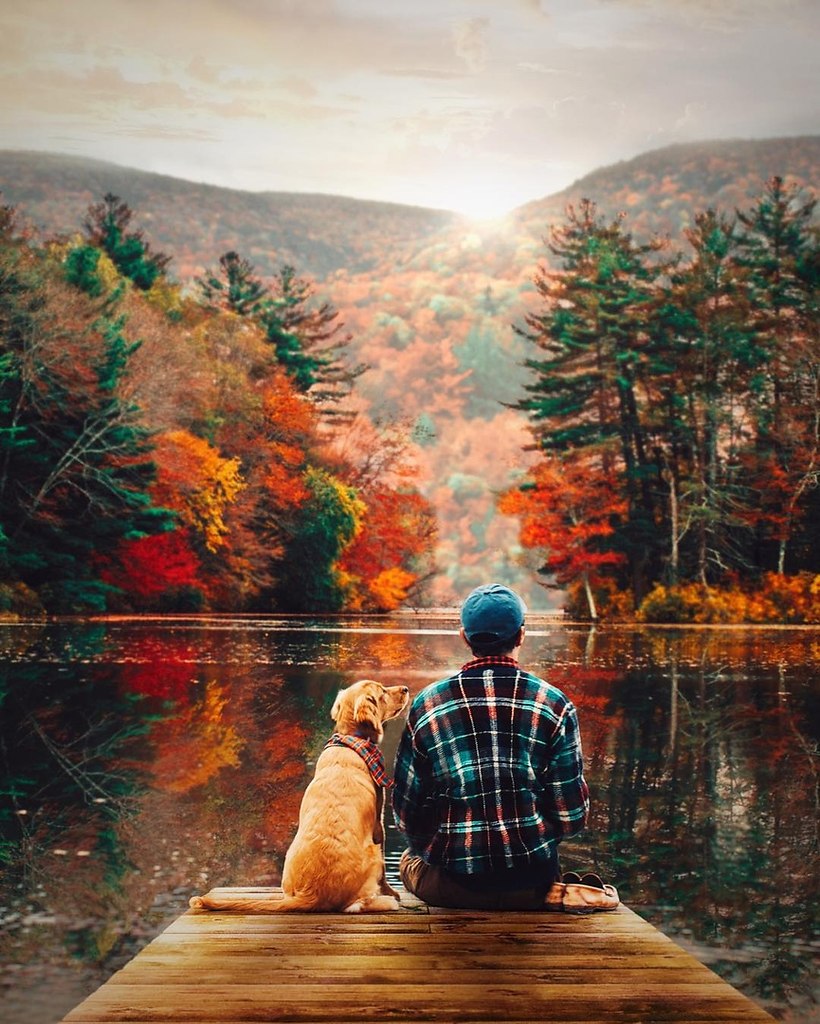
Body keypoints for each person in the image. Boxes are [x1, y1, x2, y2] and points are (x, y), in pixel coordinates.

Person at [391, 583, 590, 910]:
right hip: (534, 886)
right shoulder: (555, 705)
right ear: (522, 635)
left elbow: (405, 812)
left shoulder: (427, 705)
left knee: (407, 860)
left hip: (454, 886)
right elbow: (571, 816)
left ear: (464, 637)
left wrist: (439, 844)